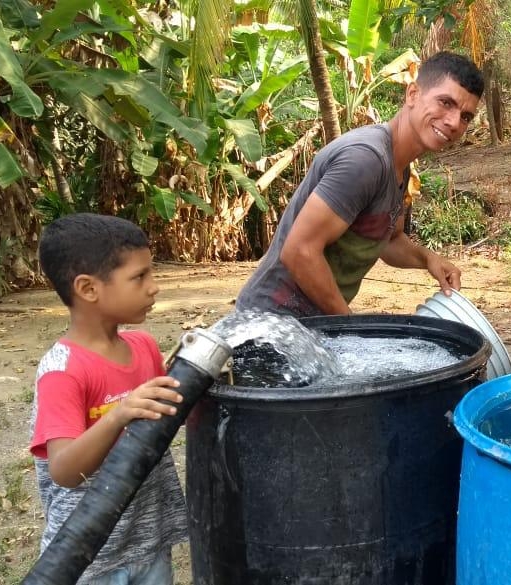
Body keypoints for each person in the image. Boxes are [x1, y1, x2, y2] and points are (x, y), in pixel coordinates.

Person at [236, 51, 485, 317]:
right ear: (412, 94)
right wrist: (351, 327)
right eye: (445, 102)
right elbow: (299, 251)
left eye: (466, 116)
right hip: (269, 324)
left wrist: (428, 259)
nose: (454, 122)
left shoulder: (398, 166)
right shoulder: (366, 159)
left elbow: (389, 240)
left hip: (312, 325)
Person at [29, 213, 187, 584]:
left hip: (148, 540)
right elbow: (64, 470)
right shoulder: (62, 371)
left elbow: (167, 409)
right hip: (89, 557)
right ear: (88, 289)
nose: (154, 287)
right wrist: (118, 415)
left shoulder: (144, 346)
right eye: (139, 276)